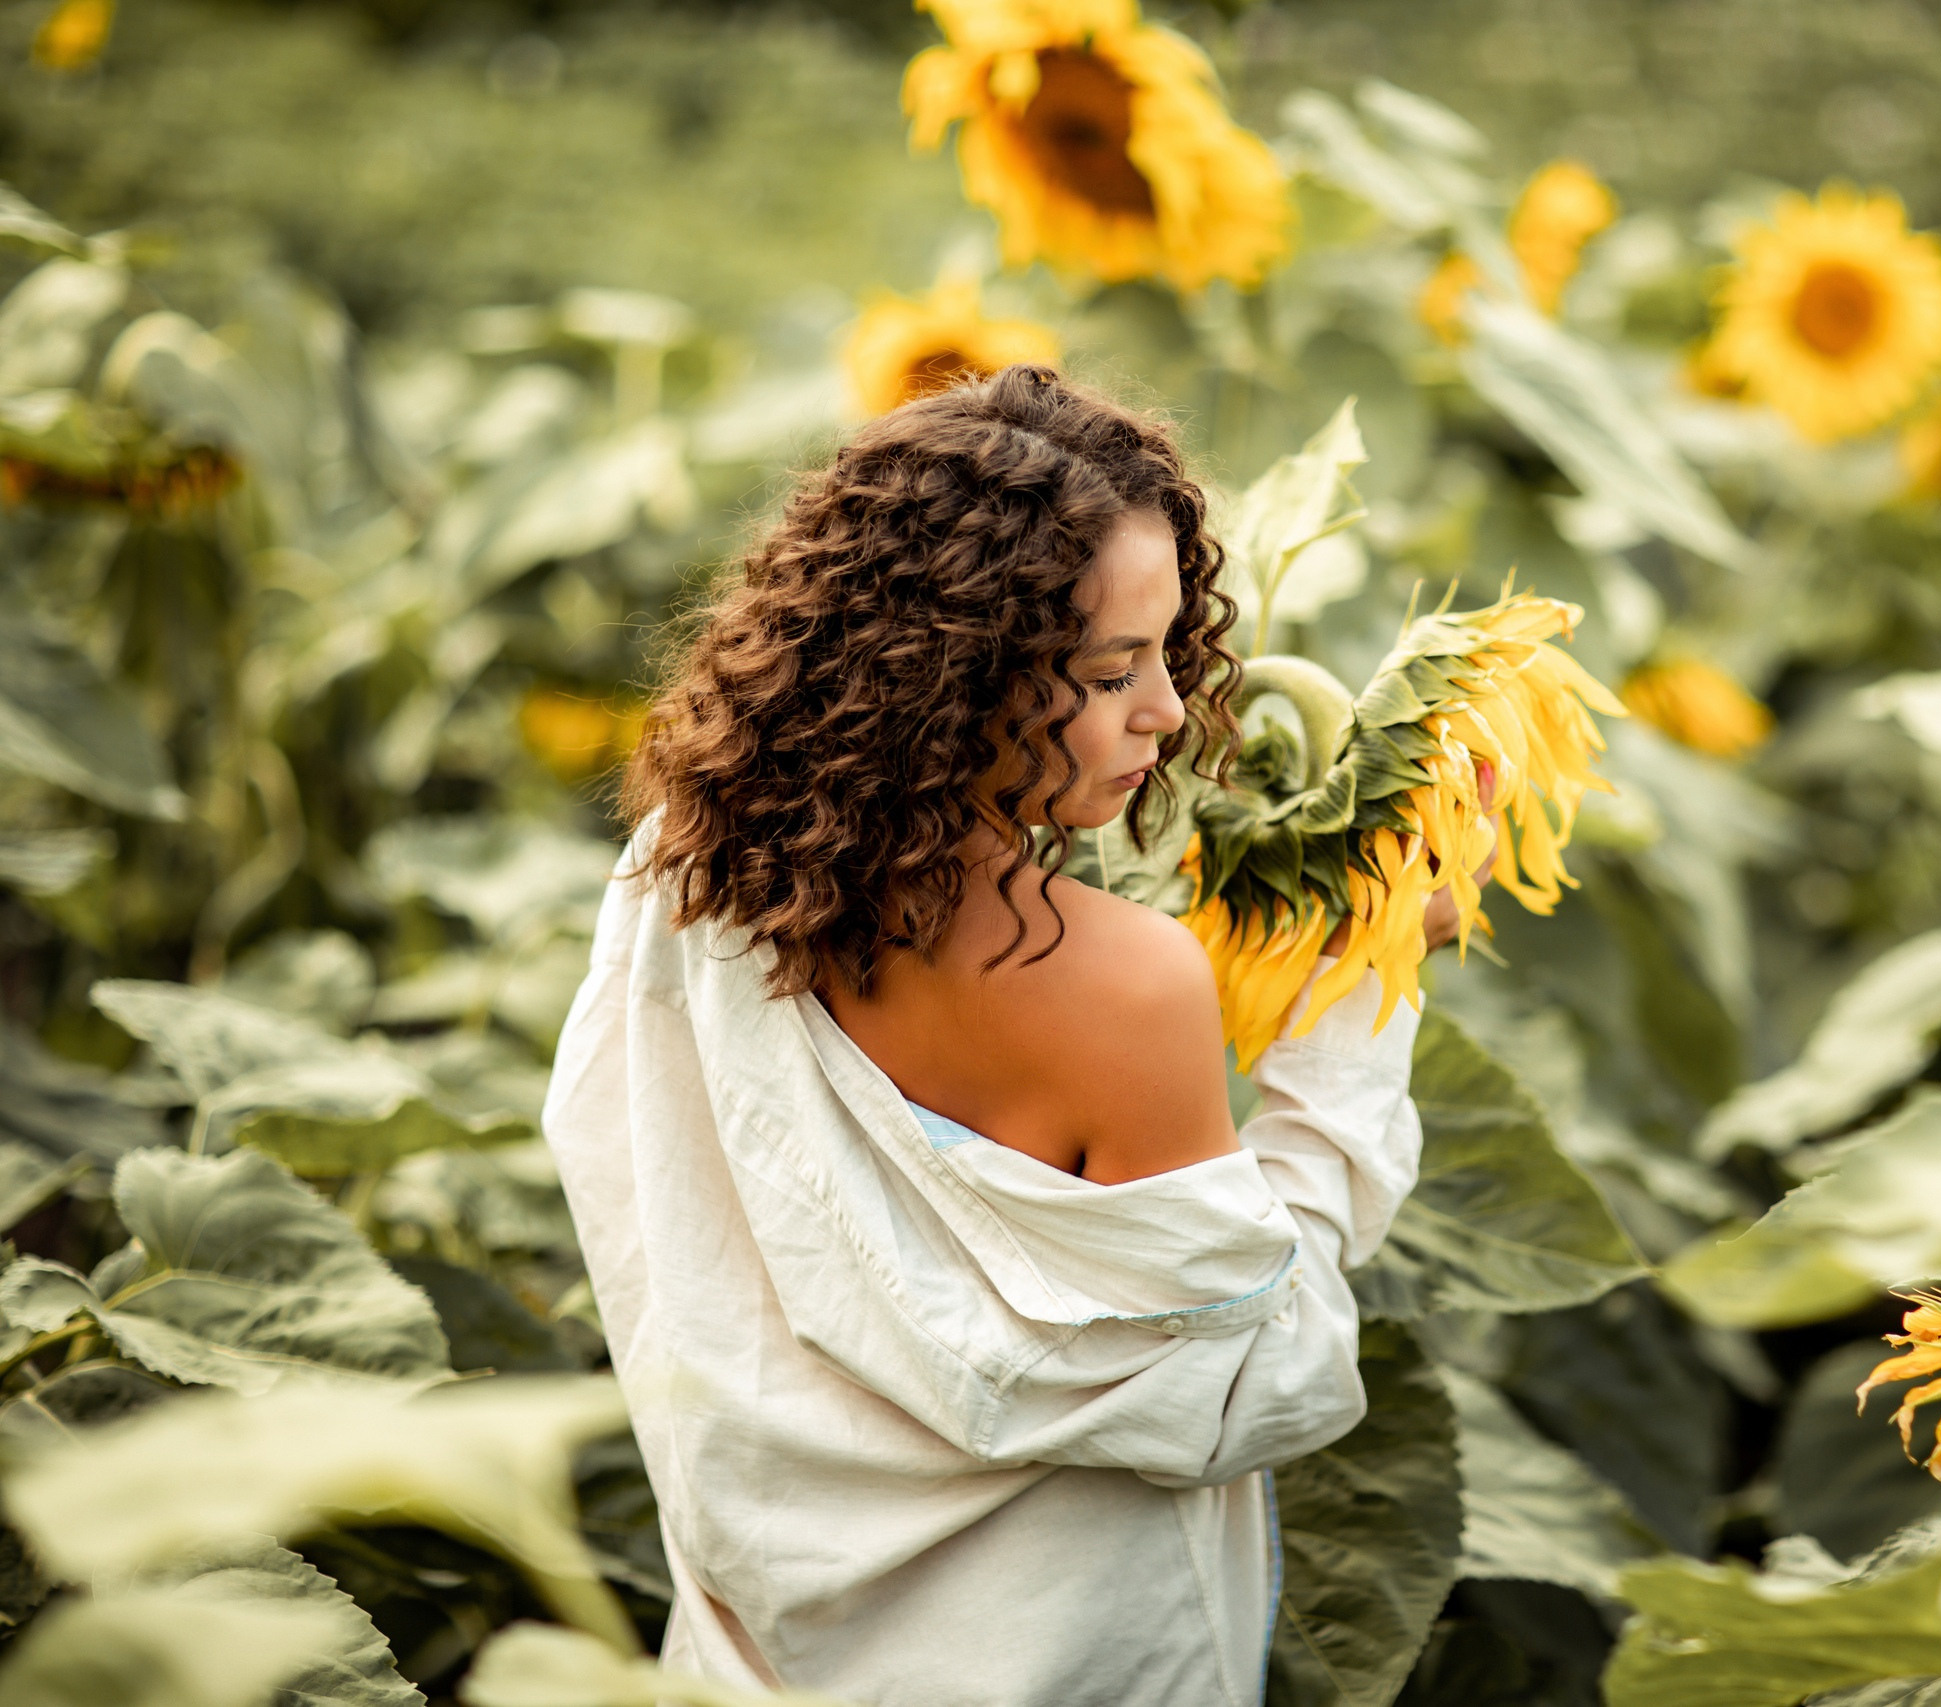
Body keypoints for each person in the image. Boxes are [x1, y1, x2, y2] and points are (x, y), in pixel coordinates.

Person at [543, 365, 1467, 1705]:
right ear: (950, 680)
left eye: (1167, 647)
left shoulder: (682, 876)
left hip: (770, 1649)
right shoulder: (1123, 985)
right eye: (1109, 671)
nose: (1166, 707)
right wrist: (1360, 983)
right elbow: (1259, 1377)